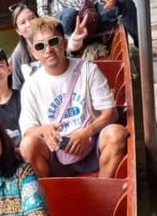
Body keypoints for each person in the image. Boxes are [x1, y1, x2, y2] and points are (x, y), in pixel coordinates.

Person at [19, 16, 127, 179]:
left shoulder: (88, 70)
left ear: (63, 42)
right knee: (27, 144)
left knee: (116, 134)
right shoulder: (31, 86)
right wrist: (44, 130)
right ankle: (46, 199)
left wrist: (86, 133)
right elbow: (28, 129)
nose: (48, 50)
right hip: (56, 153)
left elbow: (111, 113)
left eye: (53, 41)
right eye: (40, 46)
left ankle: (105, 193)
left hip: (91, 144)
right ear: (34, 53)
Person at [9, 3, 92, 91]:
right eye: (23, 23)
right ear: (18, 31)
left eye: (32, 18)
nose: (29, 24)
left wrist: (75, 40)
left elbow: (70, 46)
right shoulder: (18, 55)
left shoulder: (53, 35)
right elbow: (18, 88)